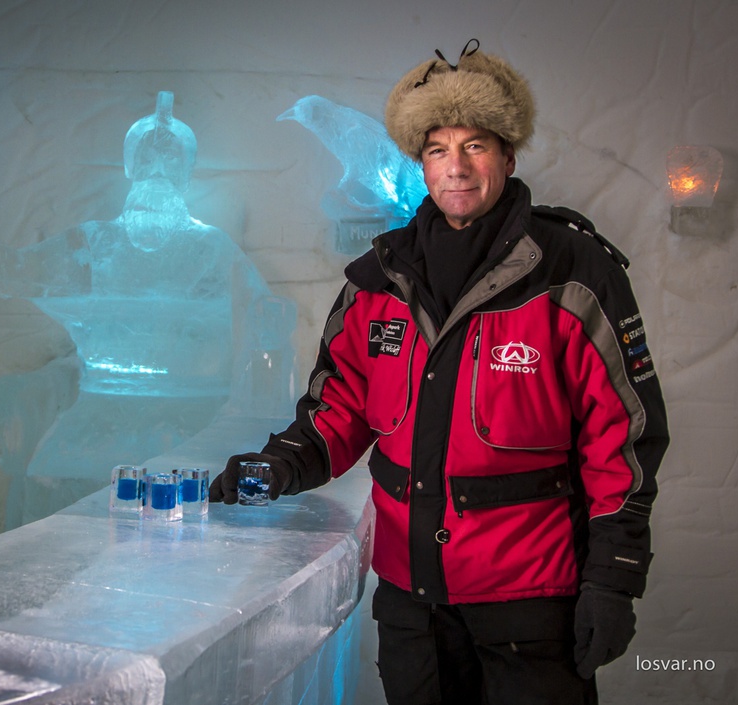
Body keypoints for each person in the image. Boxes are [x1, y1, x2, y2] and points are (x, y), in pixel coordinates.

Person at [210, 41, 668, 705]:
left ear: (508, 156)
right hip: (411, 608)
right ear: (419, 162)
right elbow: (336, 410)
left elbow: (623, 438)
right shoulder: (379, 281)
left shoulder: (572, 274)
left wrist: (614, 576)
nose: (457, 167)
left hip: (531, 607)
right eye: (437, 149)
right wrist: (276, 465)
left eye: (476, 146)